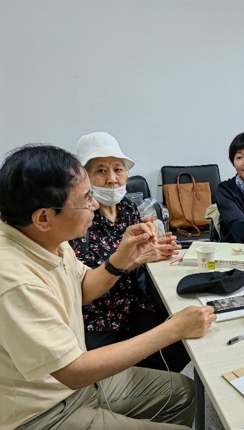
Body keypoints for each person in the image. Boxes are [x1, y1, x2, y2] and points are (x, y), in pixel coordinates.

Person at [0, 145, 216, 429]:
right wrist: (174, 329)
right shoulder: (14, 279)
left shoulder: (48, 238)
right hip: (43, 412)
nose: (93, 205)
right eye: (86, 198)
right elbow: (73, 371)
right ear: (43, 218)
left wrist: (123, 258)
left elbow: (83, 287)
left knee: (183, 393)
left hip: (73, 385)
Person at [70, 131, 189, 372]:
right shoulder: (79, 217)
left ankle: (154, 384)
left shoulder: (127, 208)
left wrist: (155, 248)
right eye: (101, 171)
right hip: (100, 316)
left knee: (182, 343)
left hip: (135, 303)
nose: (112, 179)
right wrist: (135, 261)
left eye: (118, 169)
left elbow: (139, 254)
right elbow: (81, 286)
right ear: (84, 178)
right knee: (104, 372)